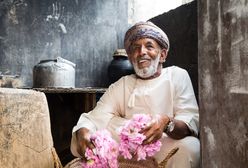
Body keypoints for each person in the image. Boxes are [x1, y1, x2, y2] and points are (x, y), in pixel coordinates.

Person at [70, 21, 200, 168]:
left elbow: (189, 120)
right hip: (126, 150)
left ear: (162, 55)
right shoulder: (122, 84)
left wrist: (165, 123)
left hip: (162, 145)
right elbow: (95, 117)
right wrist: (83, 132)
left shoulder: (177, 76)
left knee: (191, 147)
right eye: (135, 48)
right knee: (104, 127)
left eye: (149, 46)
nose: (141, 52)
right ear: (131, 57)